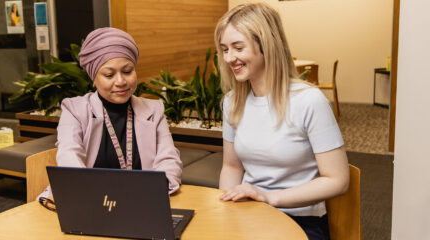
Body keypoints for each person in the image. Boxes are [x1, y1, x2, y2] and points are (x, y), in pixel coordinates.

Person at [214, 3, 349, 239]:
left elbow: (337, 180)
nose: (229, 58)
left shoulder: (309, 101)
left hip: (301, 220)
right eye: (224, 49)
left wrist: (269, 198)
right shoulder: (232, 101)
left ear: (266, 45)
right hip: (250, 213)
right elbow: (232, 167)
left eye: (238, 47)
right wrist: (226, 209)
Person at [38, 27, 182, 199]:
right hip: (90, 201)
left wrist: (153, 191)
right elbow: (69, 158)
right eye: (109, 75)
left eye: (127, 71)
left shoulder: (154, 110)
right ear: (94, 77)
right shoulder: (75, 110)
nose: (120, 81)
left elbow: (169, 160)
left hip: (143, 201)